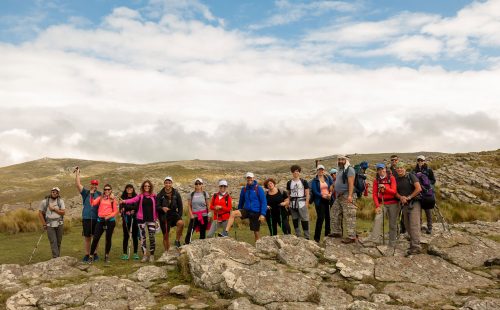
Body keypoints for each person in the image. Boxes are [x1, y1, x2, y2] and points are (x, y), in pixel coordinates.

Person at [219, 172, 267, 241]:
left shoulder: (258, 188)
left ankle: (258, 247)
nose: (249, 179)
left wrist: (262, 214)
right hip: (246, 210)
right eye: (248, 178)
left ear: (253, 178)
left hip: (256, 212)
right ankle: (225, 232)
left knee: (256, 233)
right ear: (246, 179)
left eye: (250, 178)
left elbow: (263, 202)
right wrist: (239, 211)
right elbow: (241, 201)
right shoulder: (244, 189)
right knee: (233, 213)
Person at [121, 180, 158, 262]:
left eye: (148, 186)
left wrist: (157, 218)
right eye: (145, 186)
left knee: (152, 237)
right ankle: (144, 255)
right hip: (141, 220)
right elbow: (133, 200)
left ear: (150, 187)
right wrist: (124, 201)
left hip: (151, 219)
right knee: (142, 238)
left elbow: (158, 206)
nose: (147, 187)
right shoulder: (140, 196)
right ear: (143, 187)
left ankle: (152, 255)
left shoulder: (154, 196)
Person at [366, 163, 399, 246]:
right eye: (379, 170)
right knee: (377, 219)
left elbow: (394, 191)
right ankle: (375, 241)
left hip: (393, 203)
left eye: (382, 169)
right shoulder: (376, 180)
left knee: (392, 223)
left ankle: (392, 242)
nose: (381, 171)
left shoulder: (391, 178)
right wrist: (377, 206)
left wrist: (385, 188)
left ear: (385, 169)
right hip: (382, 203)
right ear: (377, 171)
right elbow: (374, 194)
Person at [394, 162, 422, 256]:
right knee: (407, 224)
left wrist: (409, 197)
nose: (399, 169)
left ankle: (416, 247)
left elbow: (418, 188)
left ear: (404, 168)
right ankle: (413, 243)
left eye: (401, 168)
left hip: (414, 203)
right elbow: (395, 192)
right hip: (404, 204)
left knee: (414, 224)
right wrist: (401, 197)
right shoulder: (396, 179)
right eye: (398, 168)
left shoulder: (411, 176)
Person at [74, 167, 101, 262]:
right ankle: (87, 254)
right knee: (87, 237)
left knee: (96, 237)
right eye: (93, 184)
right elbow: (78, 184)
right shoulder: (85, 193)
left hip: (96, 219)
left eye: (95, 184)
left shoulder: (100, 194)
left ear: (97, 185)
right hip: (86, 218)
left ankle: (95, 253)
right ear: (90, 184)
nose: (94, 185)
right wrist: (78, 173)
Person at [329, 155, 357, 243]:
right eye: (339, 159)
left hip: (347, 195)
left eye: (342, 159)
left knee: (349, 216)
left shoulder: (350, 169)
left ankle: (352, 236)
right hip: (340, 196)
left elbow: (351, 183)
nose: (340, 161)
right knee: (334, 212)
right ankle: (337, 232)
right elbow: (339, 181)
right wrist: (333, 185)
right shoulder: (340, 170)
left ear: (346, 160)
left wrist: (350, 195)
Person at [89, 184, 118, 263]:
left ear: (111, 190)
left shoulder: (113, 199)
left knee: (108, 239)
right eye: (105, 189)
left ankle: (106, 256)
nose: (107, 191)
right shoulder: (100, 198)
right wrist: (91, 194)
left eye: (108, 189)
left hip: (110, 221)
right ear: (104, 190)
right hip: (100, 220)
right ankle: (91, 256)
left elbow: (115, 211)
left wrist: (108, 217)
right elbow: (92, 203)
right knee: (95, 238)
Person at [156, 176, 184, 250]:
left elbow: (180, 206)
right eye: (166, 183)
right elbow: (157, 206)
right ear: (164, 184)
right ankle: (167, 252)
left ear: (171, 183)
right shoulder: (160, 194)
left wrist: (179, 216)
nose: (167, 184)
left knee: (181, 223)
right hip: (163, 216)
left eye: (169, 183)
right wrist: (162, 208)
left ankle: (177, 241)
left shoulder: (176, 193)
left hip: (173, 214)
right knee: (166, 235)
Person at [38, 187, 65, 258]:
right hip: (49, 225)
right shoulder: (44, 202)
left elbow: (63, 212)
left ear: (58, 194)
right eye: (53, 192)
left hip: (59, 224)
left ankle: (57, 257)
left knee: (58, 242)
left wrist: (54, 209)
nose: (55, 193)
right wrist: (44, 224)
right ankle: (56, 258)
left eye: (56, 192)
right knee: (53, 242)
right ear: (51, 192)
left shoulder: (60, 201)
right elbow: (40, 213)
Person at [286, 165, 310, 239]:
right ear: (292, 172)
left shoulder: (304, 182)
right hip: (293, 203)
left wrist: (306, 203)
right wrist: (288, 202)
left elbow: (307, 194)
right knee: (295, 220)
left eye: (297, 171)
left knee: (304, 220)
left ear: (299, 172)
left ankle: (307, 237)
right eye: (294, 171)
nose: (295, 173)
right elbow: (288, 194)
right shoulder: (289, 182)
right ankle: (298, 236)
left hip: (302, 202)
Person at [311, 165, 334, 242]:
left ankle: (327, 236)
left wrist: (330, 193)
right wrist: (323, 196)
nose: (320, 171)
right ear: (317, 171)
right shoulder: (315, 180)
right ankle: (316, 238)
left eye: (322, 170)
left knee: (328, 218)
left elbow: (331, 186)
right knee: (320, 218)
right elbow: (315, 191)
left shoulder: (327, 178)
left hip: (328, 199)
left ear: (324, 170)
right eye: (319, 170)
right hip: (320, 200)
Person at [414, 155, 436, 234]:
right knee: (418, 211)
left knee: (428, 211)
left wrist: (428, 185)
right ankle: (419, 227)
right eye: (419, 160)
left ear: (424, 161)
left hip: (427, 193)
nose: (420, 162)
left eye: (422, 160)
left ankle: (429, 227)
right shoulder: (414, 170)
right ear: (417, 161)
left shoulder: (429, 170)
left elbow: (433, 180)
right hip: (418, 193)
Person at [185, 178, 210, 244]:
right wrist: (191, 214)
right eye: (196, 183)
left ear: (202, 185)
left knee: (202, 232)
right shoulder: (191, 194)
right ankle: (187, 244)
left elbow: (208, 205)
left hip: (204, 216)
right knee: (190, 231)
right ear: (194, 185)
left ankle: (201, 245)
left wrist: (209, 215)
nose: (198, 185)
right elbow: (189, 206)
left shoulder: (205, 194)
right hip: (194, 216)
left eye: (199, 183)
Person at [119, 184, 139, 260]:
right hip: (126, 219)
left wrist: (126, 208)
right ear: (126, 189)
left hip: (134, 219)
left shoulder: (136, 196)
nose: (129, 189)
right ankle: (124, 253)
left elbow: (137, 207)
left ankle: (135, 253)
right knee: (126, 236)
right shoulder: (122, 197)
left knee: (134, 236)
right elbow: (120, 208)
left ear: (133, 189)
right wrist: (129, 209)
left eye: (131, 188)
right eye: (127, 188)